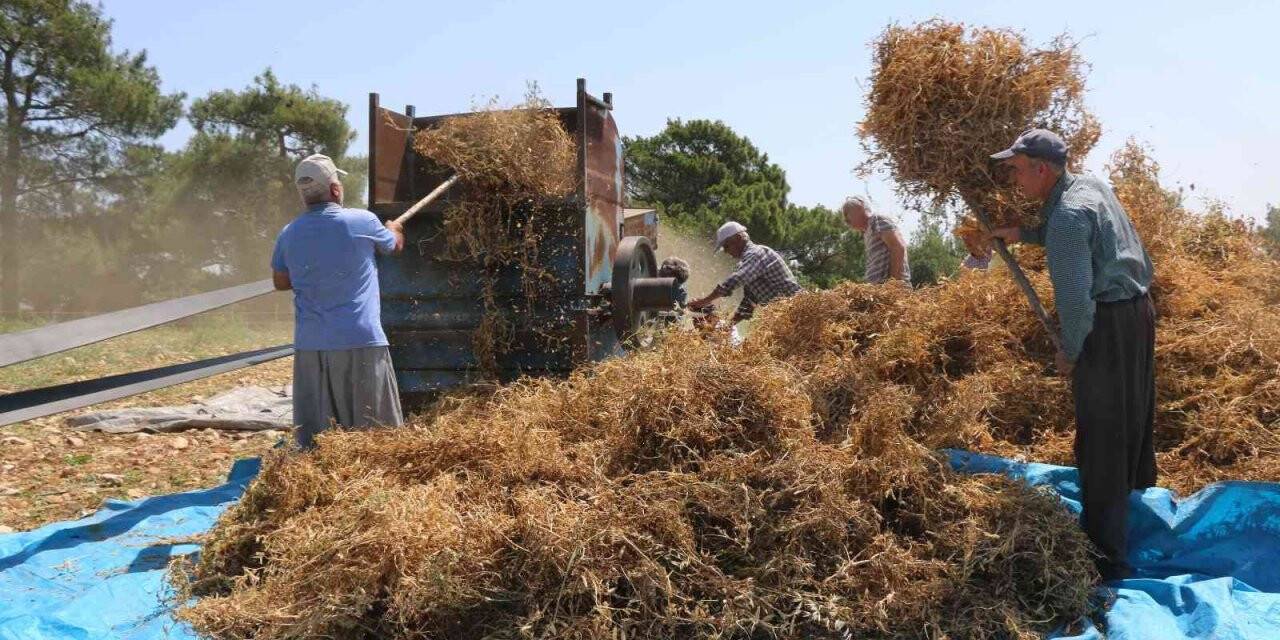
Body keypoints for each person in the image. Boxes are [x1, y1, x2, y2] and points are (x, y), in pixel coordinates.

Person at [988, 129, 1156, 580]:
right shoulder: (1092, 187)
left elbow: (1076, 301)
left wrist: (1072, 350)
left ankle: (1105, 557)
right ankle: (1137, 512)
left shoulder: (1065, 216)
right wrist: (1023, 233)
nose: (1015, 180)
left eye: (1018, 171)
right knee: (1132, 417)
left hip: (1105, 324)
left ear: (1042, 169)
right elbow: (1080, 235)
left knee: (1101, 436)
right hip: (1139, 311)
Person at [271, 154, 407, 450]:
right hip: (361, 341)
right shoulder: (362, 221)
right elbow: (393, 246)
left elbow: (280, 281)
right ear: (335, 189)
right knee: (377, 436)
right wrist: (394, 229)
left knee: (319, 444)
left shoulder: (288, 234)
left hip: (312, 346)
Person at [688, 221, 802, 323]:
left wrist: (704, 301)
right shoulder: (747, 262)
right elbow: (749, 302)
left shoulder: (757, 253)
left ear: (738, 238)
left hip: (800, 311)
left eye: (726, 246)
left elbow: (738, 279)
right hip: (787, 319)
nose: (726, 252)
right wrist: (728, 326)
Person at [842, 196, 910, 284]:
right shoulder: (868, 231)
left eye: (847, 213)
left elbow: (898, 248)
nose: (846, 220)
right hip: (879, 290)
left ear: (860, 208)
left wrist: (894, 284)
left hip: (891, 291)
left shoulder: (877, 221)